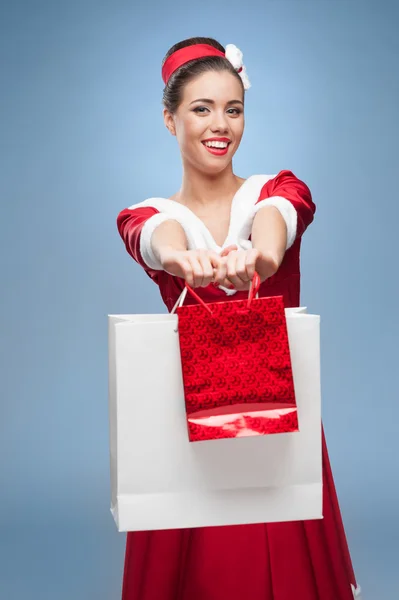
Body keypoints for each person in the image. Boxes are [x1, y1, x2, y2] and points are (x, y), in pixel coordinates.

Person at [116, 36, 361, 600]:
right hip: (187, 425)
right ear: (169, 118)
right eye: (201, 109)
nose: (219, 124)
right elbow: (154, 239)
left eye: (233, 108)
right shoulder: (149, 215)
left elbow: (281, 217)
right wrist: (182, 259)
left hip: (276, 414)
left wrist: (262, 255)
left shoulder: (273, 190)